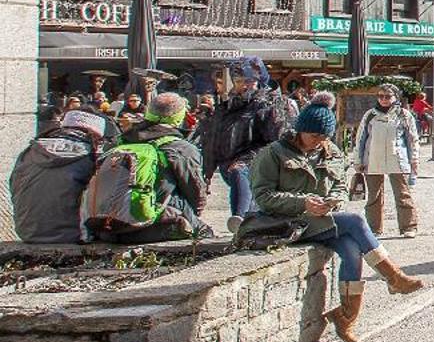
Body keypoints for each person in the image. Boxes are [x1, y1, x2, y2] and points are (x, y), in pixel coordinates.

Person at [251, 102, 423, 342]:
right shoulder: (273, 153)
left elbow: (341, 186)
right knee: (354, 221)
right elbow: (263, 197)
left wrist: (334, 201)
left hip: (322, 219)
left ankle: (346, 318)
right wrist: (303, 204)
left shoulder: (329, 150)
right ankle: (393, 277)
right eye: (314, 136)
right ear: (300, 130)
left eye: (324, 137)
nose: (319, 141)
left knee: (352, 250)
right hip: (289, 223)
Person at [87, 92, 209, 242]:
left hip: (107, 228)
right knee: (203, 232)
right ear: (179, 117)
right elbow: (196, 192)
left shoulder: (120, 142)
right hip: (149, 226)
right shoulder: (180, 148)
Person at [202, 62, 286, 233]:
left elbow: (276, 139)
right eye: (239, 81)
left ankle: (240, 219)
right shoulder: (227, 105)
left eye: (250, 81)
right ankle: (245, 224)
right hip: (228, 160)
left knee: (240, 172)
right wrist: (208, 171)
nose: (244, 85)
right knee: (239, 178)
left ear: (259, 81)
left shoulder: (268, 103)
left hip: (256, 160)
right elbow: (214, 139)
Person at [9, 111, 110, 243]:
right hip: (74, 235)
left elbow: (13, 187)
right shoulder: (91, 156)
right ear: (95, 135)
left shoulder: (29, 151)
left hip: (28, 233)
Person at [353, 83, 421, 237]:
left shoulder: (404, 115)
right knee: (374, 196)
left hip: (397, 158)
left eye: (387, 96)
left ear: (395, 97)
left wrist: (414, 158)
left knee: (403, 194)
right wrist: (357, 160)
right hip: (372, 158)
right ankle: (374, 228)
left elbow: (412, 139)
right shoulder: (370, 115)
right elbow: (361, 138)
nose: (383, 99)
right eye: (380, 96)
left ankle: (408, 226)